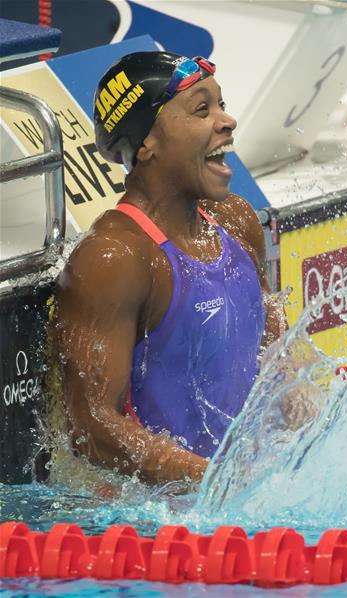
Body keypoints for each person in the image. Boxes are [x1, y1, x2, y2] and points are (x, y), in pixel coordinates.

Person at [55, 52, 286, 486]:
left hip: (251, 491)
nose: (227, 120)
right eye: (203, 109)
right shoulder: (114, 259)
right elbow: (91, 428)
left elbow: (275, 348)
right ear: (146, 143)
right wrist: (215, 481)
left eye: (221, 104)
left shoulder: (236, 221)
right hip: (168, 527)